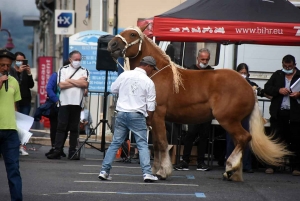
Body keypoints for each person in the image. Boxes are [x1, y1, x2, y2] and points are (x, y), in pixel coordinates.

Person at [98, 56, 158, 182]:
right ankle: (147, 173)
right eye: (152, 68)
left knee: (115, 143)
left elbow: (113, 89)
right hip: (137, 115)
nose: (152, 71)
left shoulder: (125, 75)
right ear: (147, 66)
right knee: (142, 144)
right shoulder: (148, 82)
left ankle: (104, 171)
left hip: (121, 112)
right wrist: (149, 120)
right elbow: (151, 105)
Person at [174, 48, 213, 171]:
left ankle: (200, 162)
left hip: (206, 108)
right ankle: (185, 160)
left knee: (204, 136)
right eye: (202, 59)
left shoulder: (211, 72)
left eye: (207, 59)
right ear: (197, 58)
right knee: (190, 134)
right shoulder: (190, 70)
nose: (205, 61)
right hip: (192, 108)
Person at [47, 50, 89, 160]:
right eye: (76, 59)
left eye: (79, 59)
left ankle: (72, 151)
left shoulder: (84, 71)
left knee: (74, 128)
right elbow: (61, 85)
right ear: (70, 59)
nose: (78, 61)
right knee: (61, 127)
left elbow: (85, 84)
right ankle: (57, 150)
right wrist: (77, 82)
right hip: (64, 102)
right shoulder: (63, 69)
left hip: (77, 103)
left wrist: (69, 80)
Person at [264, 54, 300, 176]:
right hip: (279, 113)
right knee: (276, 139)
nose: (287, 68)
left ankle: (296, 166)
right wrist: (278, 90)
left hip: (295, 114)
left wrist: (298, 94)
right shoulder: (278, 74)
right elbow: (267, 88)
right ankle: (272, 165)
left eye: (289, 66)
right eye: (285, 66)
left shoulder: (299, 76)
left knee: (295, 140)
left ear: (294, 65)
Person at [225, 63, 260, 173]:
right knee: (231, 140)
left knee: (245, 139)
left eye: (245, 73)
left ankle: (246, 164)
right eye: (241, 73)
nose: (243, 75)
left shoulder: (251, 85)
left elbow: (262, 91)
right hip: (232, 116)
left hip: (246, 115)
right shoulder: (231, 84)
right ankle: (230, 163)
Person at [0, 49, 23, 201]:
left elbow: (15, 106)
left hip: (10, 131)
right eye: (2, 65)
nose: (5, 68)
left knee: (13, 168)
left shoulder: (14, 81)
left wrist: (19, 129)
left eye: (8, 65)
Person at [9, 52, 34, 156]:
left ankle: (22, 146)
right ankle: (14, 145)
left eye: (22, 60)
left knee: (24, 125)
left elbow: (31, 85)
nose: (20, 62)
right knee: (15, 124)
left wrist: (29, 73)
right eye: (18, 60)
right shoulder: (11, 71)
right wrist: (18, 72)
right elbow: (14, 84)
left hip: (25, 100)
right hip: (15, 101)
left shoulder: (25, 70)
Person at [44, 60, 70, 157]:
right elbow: (49, 88)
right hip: (56, 105)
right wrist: (56, 100)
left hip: (68, 105)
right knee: (55, 127)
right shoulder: (56, 75)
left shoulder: (74, 77)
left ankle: (60, 147)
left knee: (65, 128)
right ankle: (55, 147)